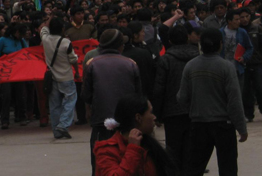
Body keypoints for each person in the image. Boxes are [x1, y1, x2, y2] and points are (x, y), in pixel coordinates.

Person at [177, 28, 248, 176]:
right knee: (227, 167)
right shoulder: (226, 67)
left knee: (195, 167)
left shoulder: (190, 66)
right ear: (220, 44)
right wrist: (241, 128)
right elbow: (234, 101)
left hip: (198, 124)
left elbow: (181, 97)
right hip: (223, 125)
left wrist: (194, 110)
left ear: (201, 45)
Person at [82, 29, 142, 175]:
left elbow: (86, 95)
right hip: (127, 123)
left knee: (100, 162)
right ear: (119, 46)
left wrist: (91, 108)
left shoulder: (92, 64)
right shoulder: (131, 64)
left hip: (101, 122)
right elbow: (139, 95)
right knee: (129, 160)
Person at [152, 25, 199, 174]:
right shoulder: (198, 57)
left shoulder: (166, 60)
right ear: (187, 38)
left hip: (172, 112)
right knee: (192, 152)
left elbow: (159, 89)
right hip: (196, 111)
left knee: (173, 152)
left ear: (170, 40)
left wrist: (157, 114)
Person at [94, 94, 177, 176]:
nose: (154, 117)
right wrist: (133, 150)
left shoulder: (149, 145)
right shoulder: (106, 150)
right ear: (138, 118)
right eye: (151, 112)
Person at [40, 17, 79, 139]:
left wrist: (48, 20)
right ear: (62, 29)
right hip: (66, 77)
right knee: (70, 101)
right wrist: (77, 72)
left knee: (54, 105)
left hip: (52, 78)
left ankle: (56, 131)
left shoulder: (45, 39)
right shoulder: (66, 42)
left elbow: (43, 29)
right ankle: (63, 124)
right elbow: (73, 59)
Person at [239, 7, 262, 122]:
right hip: (243, 63)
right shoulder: (238, 30)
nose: (244, 19)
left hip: (257, 62)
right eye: (242, 17)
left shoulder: (256, 28)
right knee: (246, 90)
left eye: (246, 16)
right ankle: (248, 114)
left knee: (261, 87)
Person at [220, 9, 253, 91]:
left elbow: (250, 47)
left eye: (239, 19)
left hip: (238, 68)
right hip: (223, 68)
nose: (239, 21)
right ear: (229, 21)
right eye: (236, 19)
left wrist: (244, 58)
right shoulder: (220, 32)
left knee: (238, 92)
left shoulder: (242, 32)